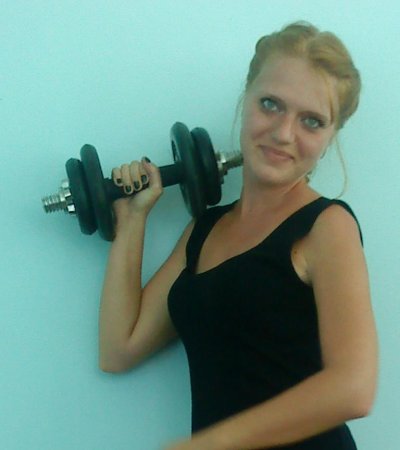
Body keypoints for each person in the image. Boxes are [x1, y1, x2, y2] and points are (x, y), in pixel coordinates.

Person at [99, 21, 378, 450]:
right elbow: (119, 350)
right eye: (270, 104)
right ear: (245, 98)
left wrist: (208, 444)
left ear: (330, 138)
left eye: (312, 121)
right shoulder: (204, 230)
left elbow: (354, 389)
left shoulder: (327, 226)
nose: (283, 133)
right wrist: (133, 220)